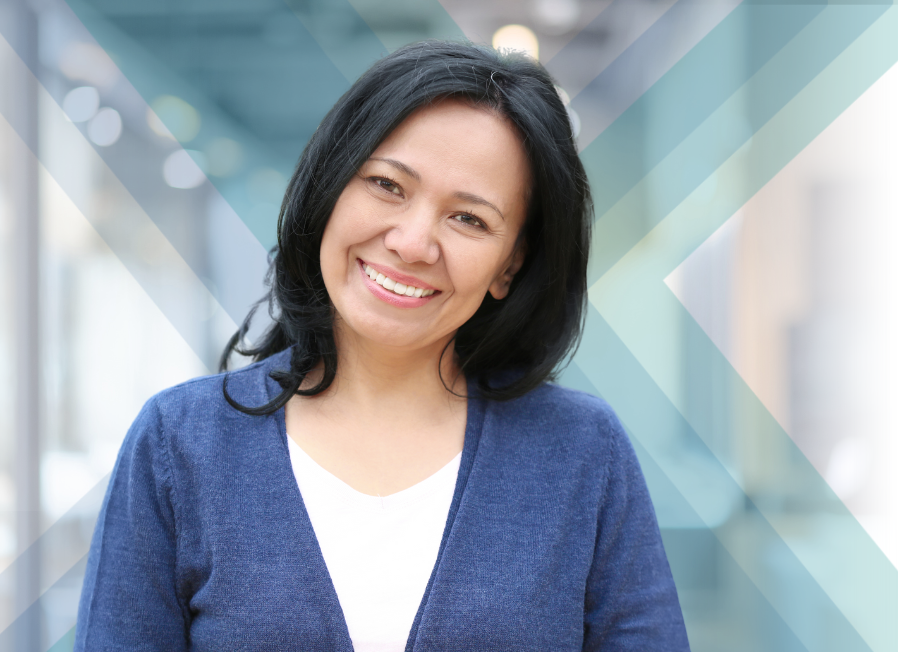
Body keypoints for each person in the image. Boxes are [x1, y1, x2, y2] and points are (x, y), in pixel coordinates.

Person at [75, 41, 689, 651]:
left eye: (469, 219)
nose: (413, 241)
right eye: (387, 185)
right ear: (330, 188)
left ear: (510, 267)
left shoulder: (580, 452)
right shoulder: (179, 444)